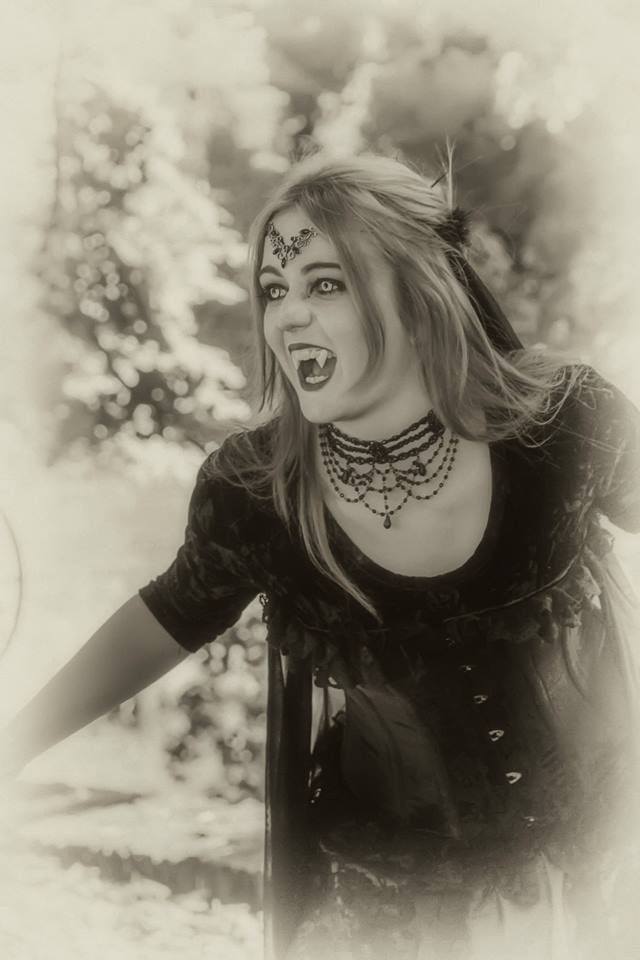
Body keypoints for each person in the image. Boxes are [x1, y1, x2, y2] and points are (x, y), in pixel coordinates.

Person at [1, 149, 639, 960]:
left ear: (421, 290)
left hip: (603, 880)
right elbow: (171, 612)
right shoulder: (256, 494)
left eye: (325, 284)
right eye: (275, 290)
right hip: (391, 914)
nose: (288, 316)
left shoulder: (562, 425)